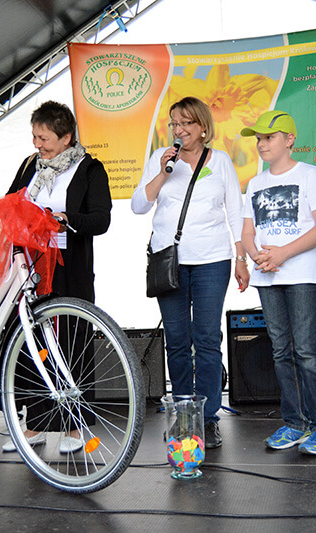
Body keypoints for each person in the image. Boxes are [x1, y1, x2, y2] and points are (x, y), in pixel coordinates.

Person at [131, 96, 248, 449]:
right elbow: (139, 206)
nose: (179, 130)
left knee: (207, 340)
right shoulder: (161, 158)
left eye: (186, 123)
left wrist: (241, 257)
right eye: (174, 124)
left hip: (213, 260)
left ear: (202, 127)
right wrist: (161, 172)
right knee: (178, 341)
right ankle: (184, 416)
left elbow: (235, 211)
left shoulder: (221, 161)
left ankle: (208, 418)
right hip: (169, 261)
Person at [1, 100, 112, 454]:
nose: (37, 144)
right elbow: (12, 202)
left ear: (66, 138)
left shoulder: (90, 168)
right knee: (31, 341)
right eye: (35, 137)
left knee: (73, 341)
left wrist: (66, 219)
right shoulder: (29, 165)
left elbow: (101, 219)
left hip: (69, 265)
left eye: (44, 138)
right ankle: (34, 424)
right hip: (31, 265)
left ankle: (76, 425)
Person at [240, 110, 316, 455]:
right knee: (281, 351)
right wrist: (256, 255)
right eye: (259, 139)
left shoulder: (308, 174)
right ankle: (296, 422)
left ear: (289, 139)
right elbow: (248, 231)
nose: (261, 144)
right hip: (267, 276)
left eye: (269, 137)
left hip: (302, 276)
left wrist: (282, 253)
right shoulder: (255, 183)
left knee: (307, 349)